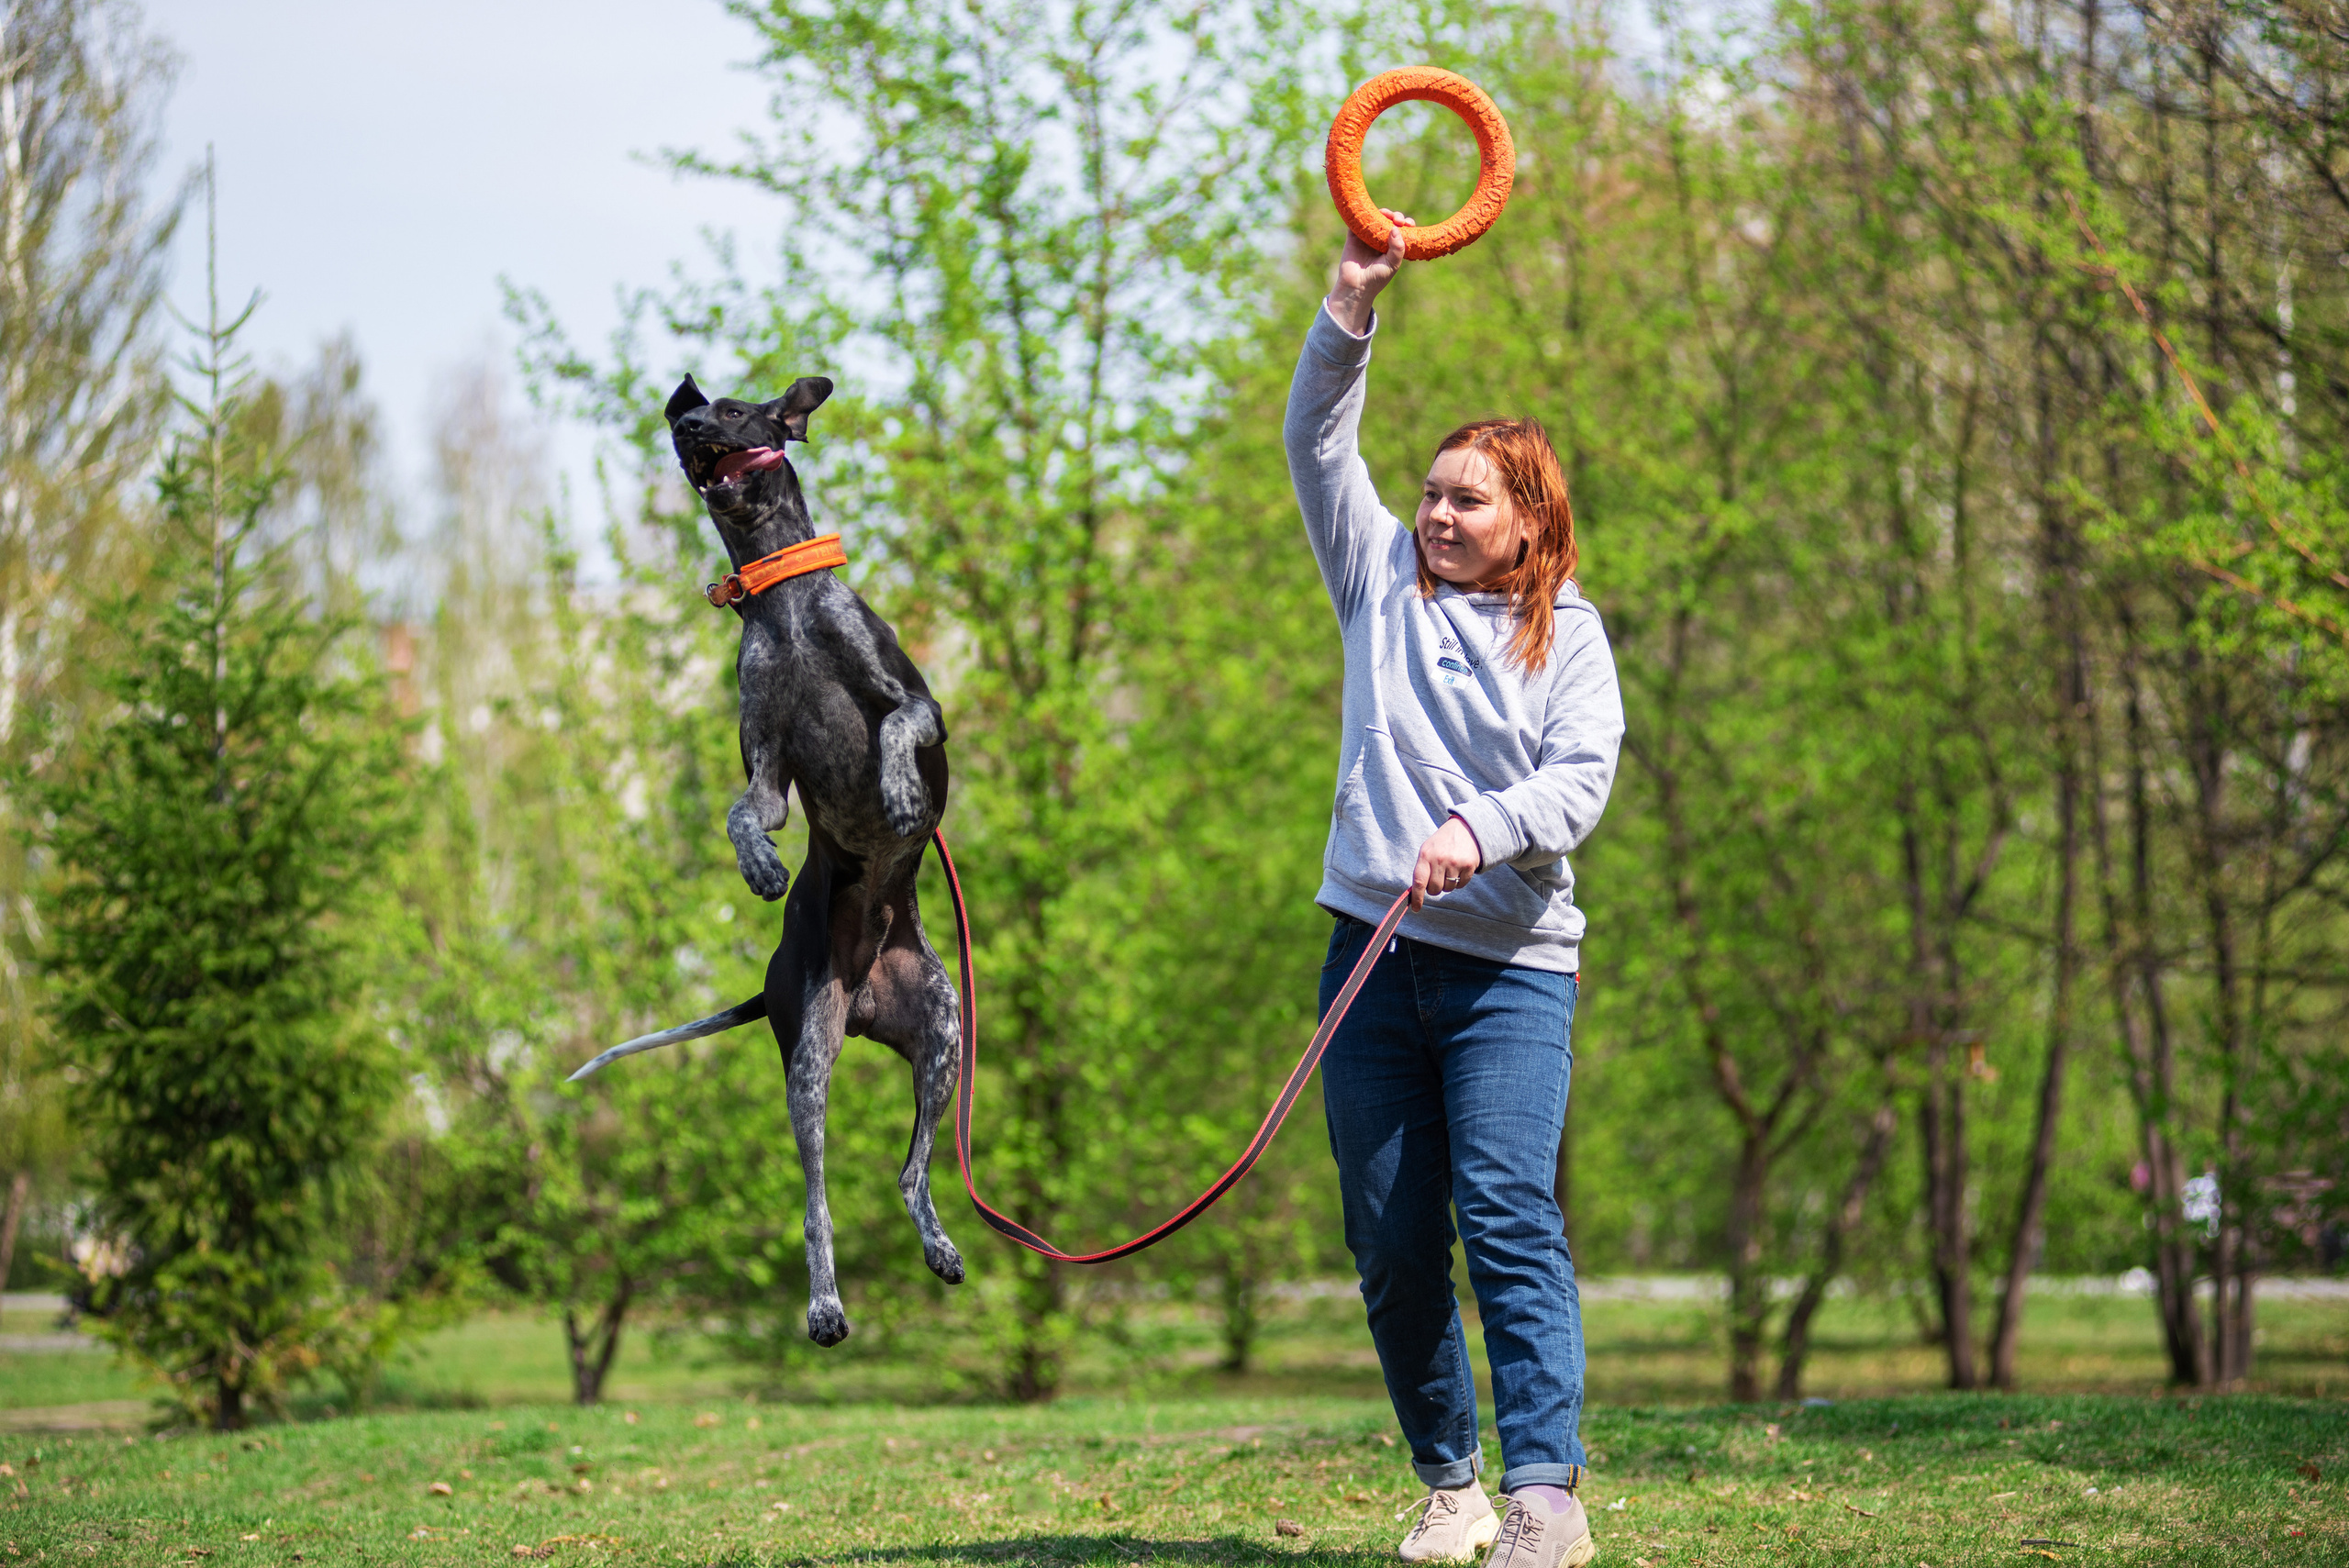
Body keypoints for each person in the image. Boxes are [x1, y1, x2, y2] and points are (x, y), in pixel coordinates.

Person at [1286, 210, 1624, 1568]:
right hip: (1369, 957)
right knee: (1388, 1234)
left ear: (1528, 518)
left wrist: (1479, 827)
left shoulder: (1573, 640)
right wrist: (1351, 301)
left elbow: (1576, 784)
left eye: (1465, 497)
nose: (1433, 513)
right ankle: (1451, 1483)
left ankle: (1545, 1493)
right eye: (1427, 492)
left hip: (1511, 974)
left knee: (1505, 1213)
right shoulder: (1377, 580)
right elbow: (1318, 441)